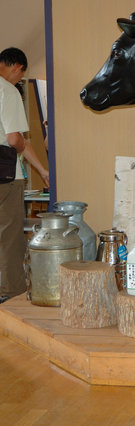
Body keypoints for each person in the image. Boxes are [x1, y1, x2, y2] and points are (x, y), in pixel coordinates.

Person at [0, 47, 49, 303]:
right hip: (6, 175)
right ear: (17, 68)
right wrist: (19, 144)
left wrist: (42, 170)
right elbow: (14, 139)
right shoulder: (7, 91)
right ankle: (11, 293)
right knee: (9, 236)